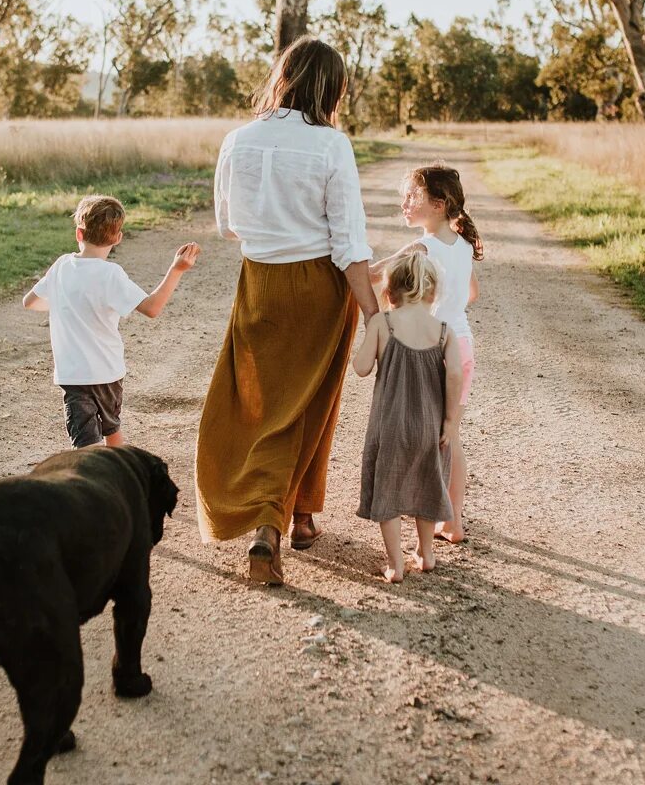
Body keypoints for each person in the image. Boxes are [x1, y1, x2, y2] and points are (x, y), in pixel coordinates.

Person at [196, 35, 381, 586]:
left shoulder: (237, 140)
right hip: (319, 285)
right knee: (311, 403)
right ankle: (273, 525)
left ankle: (299, 513)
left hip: (259, 281)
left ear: (283, 77)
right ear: (330, 89)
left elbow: (227, 226)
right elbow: (349, 242)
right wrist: (374, 315)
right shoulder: (331, 145)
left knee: (260, 405)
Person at [25, 194, 200, 448]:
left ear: (78, 233)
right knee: (112, 430)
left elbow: (30, 302)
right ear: (118, 238)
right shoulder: (111, 274)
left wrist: (65, 301)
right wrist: (176, 269)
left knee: (86, 446)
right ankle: (120, 471)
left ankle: (94, 473)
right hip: (108, 372)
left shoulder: (62, 265)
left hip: (74, 376)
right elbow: (152, 308)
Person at [370, 162, 482, 543]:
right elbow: (472, 293)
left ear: (438, 204)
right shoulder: (463, 246)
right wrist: (449, 302)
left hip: (436, 350)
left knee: (424, 435)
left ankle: (423, 508)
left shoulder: (423, 247)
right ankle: (453, 521)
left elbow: (375, 275)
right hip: (463, 345)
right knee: (450, 435)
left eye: (412, 196)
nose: (404, 203)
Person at [352, 251, 464, 583]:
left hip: (389, 427)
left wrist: (370, 335)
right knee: (428, 484)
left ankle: (395, 564)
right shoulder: (443, 331)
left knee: (387, 489)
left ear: (389, 292)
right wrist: (449, 421)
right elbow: (455, 374)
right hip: (430, 426)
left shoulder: (382, 323)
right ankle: (426, 553)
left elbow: (361, 368)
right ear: (432, 293)